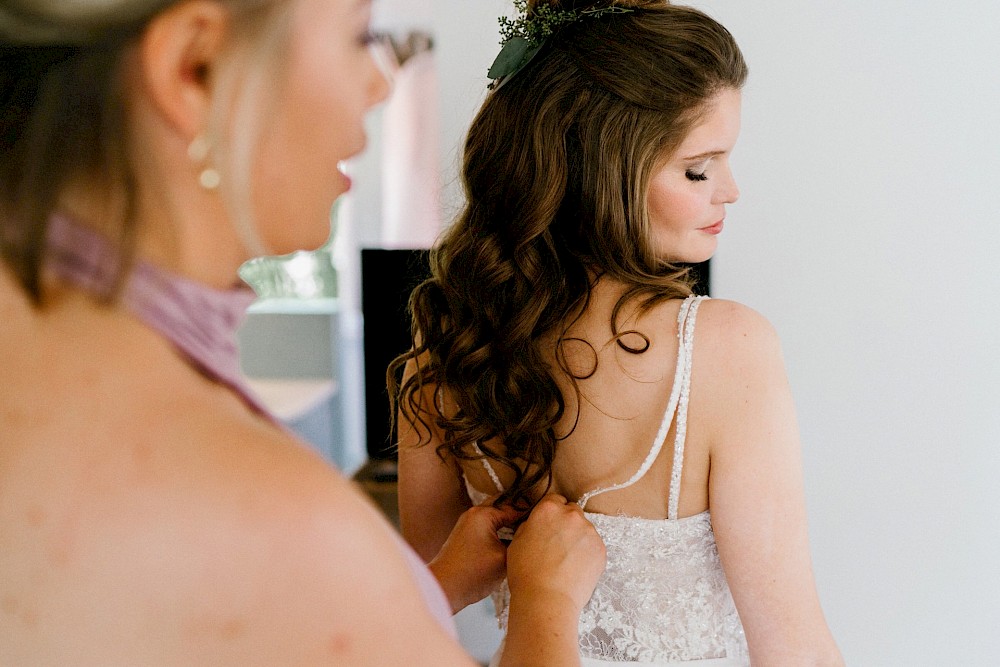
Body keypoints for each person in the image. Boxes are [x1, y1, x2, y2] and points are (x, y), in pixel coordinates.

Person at [0, 1, 606, 665]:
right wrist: (548, 601)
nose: (380, 83)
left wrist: (433, 587)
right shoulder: (272, 517)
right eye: (359, 36)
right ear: (194, 68)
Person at [392, 1, 845, 665]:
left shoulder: (443, 359)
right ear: (604, 171)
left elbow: (407, 618)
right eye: (699, 168)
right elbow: (793, 646)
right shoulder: (726, 349)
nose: (731, 191)